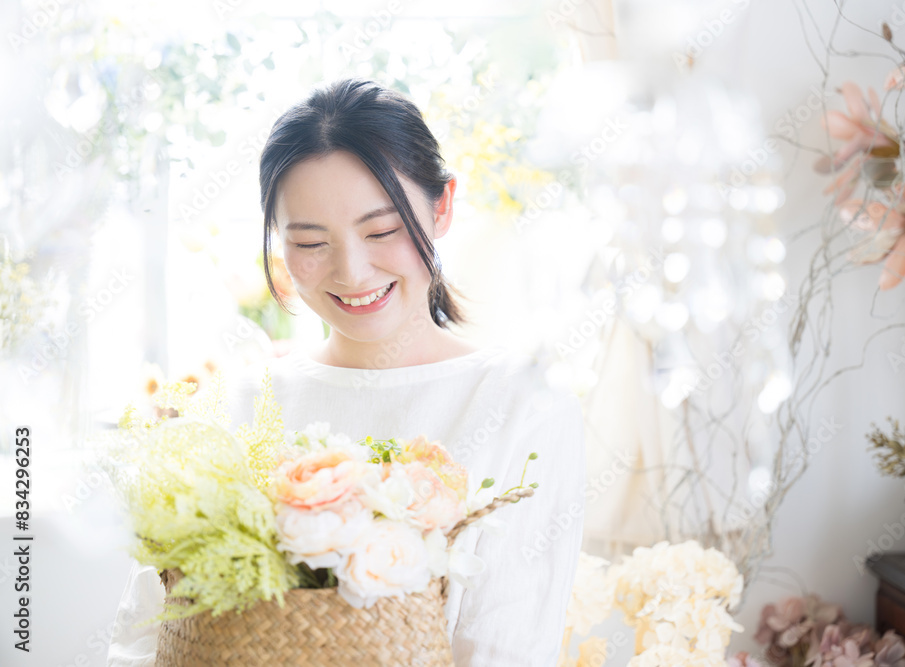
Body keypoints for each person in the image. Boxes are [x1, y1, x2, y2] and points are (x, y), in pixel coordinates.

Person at [106, 77, 587, 666]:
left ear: (442, 207)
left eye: (381, 231)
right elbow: (146, 637)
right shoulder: (237, 405)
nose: (353, 272)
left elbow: (504, 651)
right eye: (311, 243)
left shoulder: (523, 403)